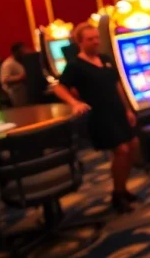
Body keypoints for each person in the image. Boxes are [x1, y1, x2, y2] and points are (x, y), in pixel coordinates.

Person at [53, 22, 140, 213]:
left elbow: (117, 86)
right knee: (121, 150)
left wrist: (127, 109)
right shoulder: (75, 65)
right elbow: (59, 87)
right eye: (90, 39)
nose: (95, 42)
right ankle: (117, 195)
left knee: (133, 146)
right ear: (80, 42)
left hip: (117, 110)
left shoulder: (105, 59)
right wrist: (74, 103)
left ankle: (123, 188)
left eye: (96, 38)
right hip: (100, 115)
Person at [0, 42, 30, 107]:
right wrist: (21, 77)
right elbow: (4, 79)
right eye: (22, 51)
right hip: (14, 92)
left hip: (22, 91)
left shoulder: (19, 61)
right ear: (16, 52)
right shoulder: (8, 64)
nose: (24, 53)